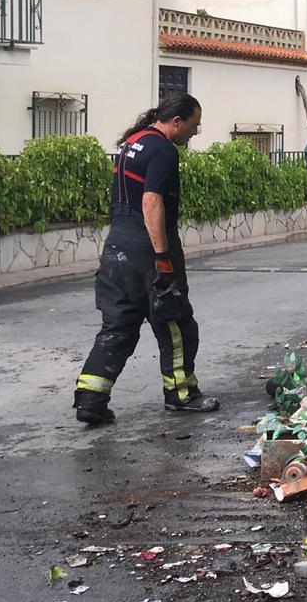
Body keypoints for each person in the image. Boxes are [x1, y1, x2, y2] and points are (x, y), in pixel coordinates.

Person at [72, 94, 220, 425]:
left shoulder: (132, 142)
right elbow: (152, 202)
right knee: (177, 324)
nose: (195, 133)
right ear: (177, 121)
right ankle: (182, 395)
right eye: (194, 126)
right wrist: (163, 258)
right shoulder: (163, 150)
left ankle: (90, 399)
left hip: (115, 252)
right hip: (146, 253)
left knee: (118, 326)